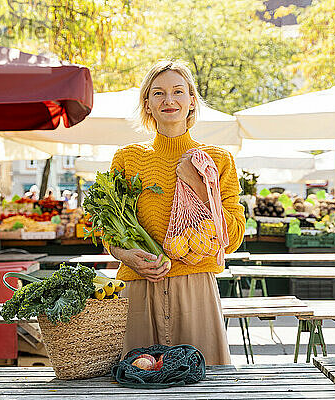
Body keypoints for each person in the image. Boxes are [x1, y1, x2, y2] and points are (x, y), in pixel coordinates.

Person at [105, 60, 245, 365]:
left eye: (178, 92)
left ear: (192, 101)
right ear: (148, 104)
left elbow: (232, 238)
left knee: (204, 386)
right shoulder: (127, 158)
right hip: (138, 287)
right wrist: (127, 256)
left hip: (195, 290)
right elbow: (109, 233)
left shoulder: (218, 159)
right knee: (135, 384)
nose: (169, 101)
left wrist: (198, 184)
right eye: (159, 94)